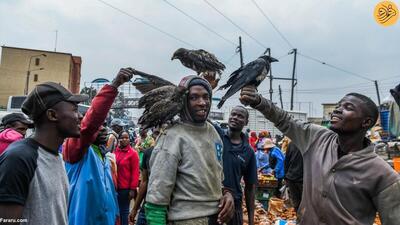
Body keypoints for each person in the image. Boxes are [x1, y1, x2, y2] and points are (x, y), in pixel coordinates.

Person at [240, 86, 400, 224]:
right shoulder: (317, 138)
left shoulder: (384, 176)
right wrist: (259, 102)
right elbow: (285, 120)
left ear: (366, 122)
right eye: (338, 105)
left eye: (348, 107)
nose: (337, 109)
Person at [145, 76, 234, 225]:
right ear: (184, 101)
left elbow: (216, 180)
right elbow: (156, 202)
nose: (202, 103)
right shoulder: (172, 137)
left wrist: (226, 194)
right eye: (194, 97)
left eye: (206, 97)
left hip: (216, 219)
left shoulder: (213, 133)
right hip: (186, 220)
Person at [0, 82, 88, 224]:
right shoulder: (19, 158)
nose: (80, 116)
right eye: (74, 109)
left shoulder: (57, 156)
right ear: (52, 115)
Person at [63, 68, 134, 225]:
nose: (102, 129)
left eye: (104, 126)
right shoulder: (75, 150)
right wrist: (114, 85)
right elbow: (91, 122)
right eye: (98, 126)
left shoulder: (104, 157)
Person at [214, 106, 257, 225]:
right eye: (233, 114)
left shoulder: (248, 152)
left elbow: (250, 187)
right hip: (213, 200)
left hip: (234, 205)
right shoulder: (217, 136)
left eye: (240, 116)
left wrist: (251, 220)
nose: (235, 118)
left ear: (246, 122)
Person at [129, 127, 161, 225]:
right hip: (148, 204)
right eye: (156, 133)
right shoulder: (148, 152)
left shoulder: (176, 153)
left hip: (168, 207)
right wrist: (135, 209)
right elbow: (144, 182)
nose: (159, 136)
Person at [115, 130, 140, 225]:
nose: (125, 139)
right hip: (115, 187)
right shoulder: (115, 151)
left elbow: (135, 173)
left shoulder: (133, 154)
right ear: (119, 139)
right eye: (123, 138)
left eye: (127, 138)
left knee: (124, 211)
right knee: (116, 211)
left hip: (125, 189)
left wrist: (132, 189)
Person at [283, 140, 303, 217]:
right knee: (301, 203)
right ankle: (300, 219)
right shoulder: (307, 143)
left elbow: (286, 161)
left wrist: (286, 176)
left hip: (293, 177)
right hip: (299, 179)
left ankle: (299, 219)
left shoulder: (291, 144)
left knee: (297, 202)